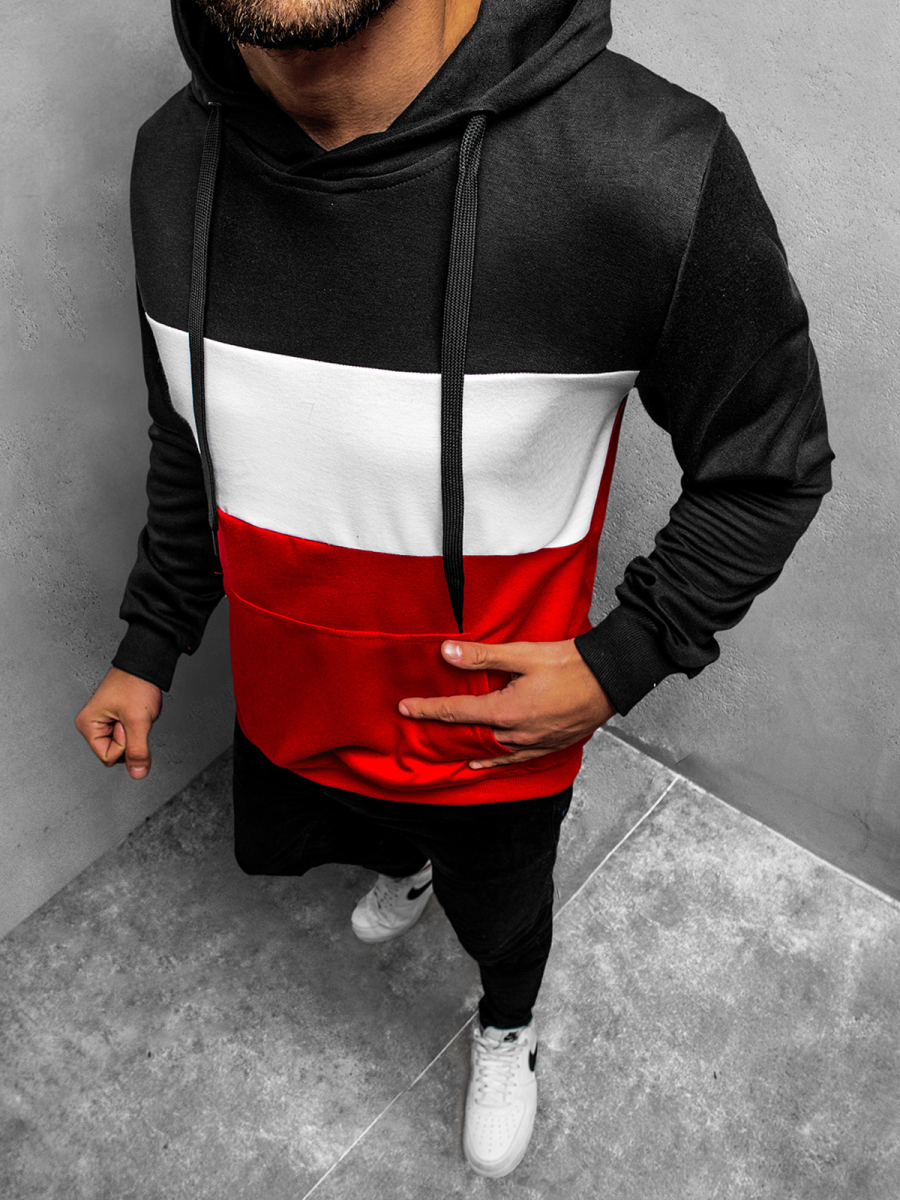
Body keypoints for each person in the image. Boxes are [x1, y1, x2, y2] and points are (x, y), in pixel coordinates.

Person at [75, 0, 833, 1178]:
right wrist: (149, 642)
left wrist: (618, 663)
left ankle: (509, 1025)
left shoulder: (643, 167)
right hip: (296, 697)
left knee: (504, 916)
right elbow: (193, 435)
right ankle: (406, 859)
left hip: (491, 740)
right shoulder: (173, 161)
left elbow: (769, 465)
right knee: (354, 840)